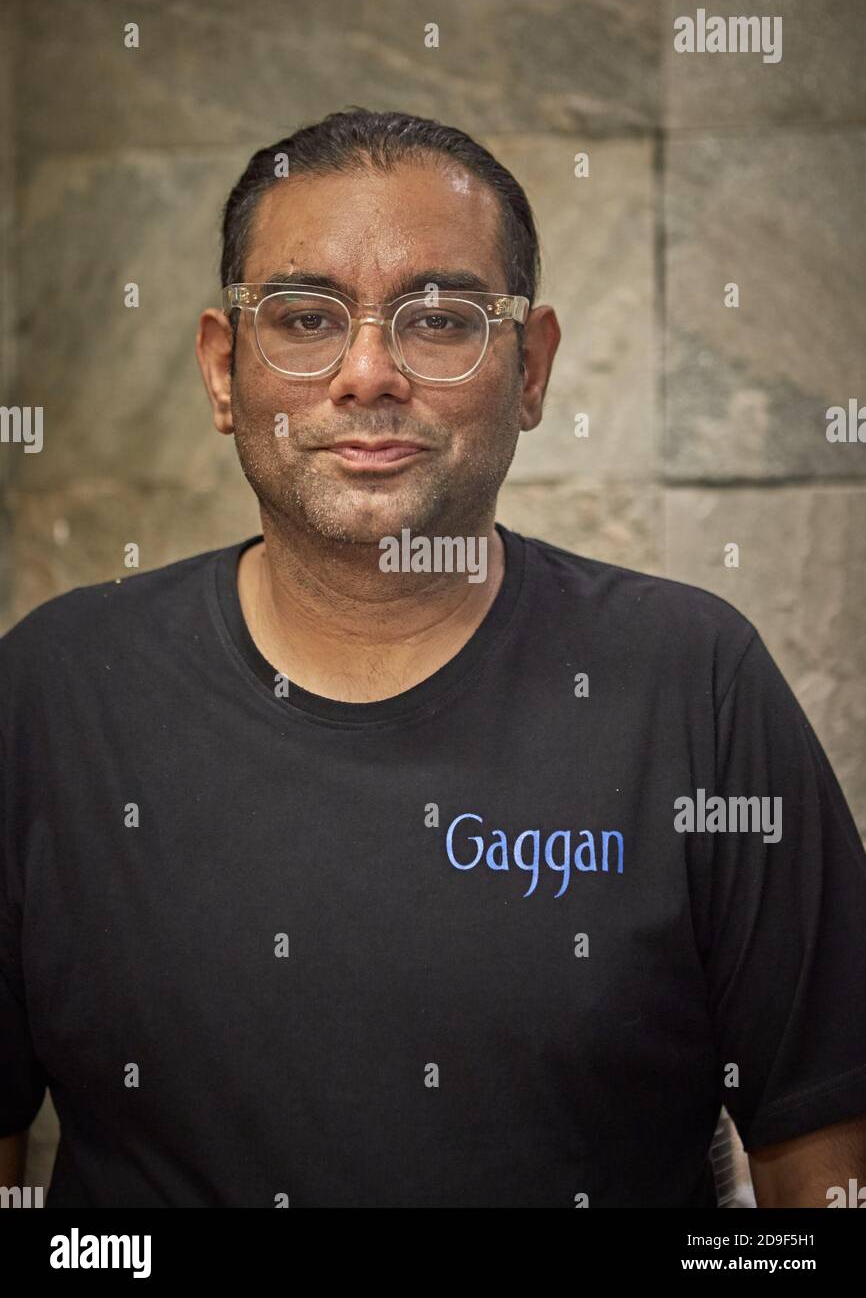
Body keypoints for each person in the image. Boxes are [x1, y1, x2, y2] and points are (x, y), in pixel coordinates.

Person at [2, 108, 865, 1209]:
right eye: (305, 317)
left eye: (442, 318)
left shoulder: (693, 684)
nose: (367, 372)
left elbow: (824, 1167)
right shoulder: (50, 695)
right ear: (224, 371)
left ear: (531, 367)